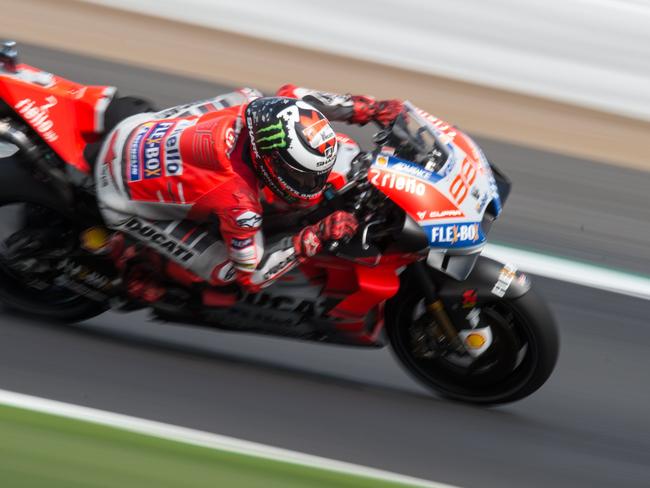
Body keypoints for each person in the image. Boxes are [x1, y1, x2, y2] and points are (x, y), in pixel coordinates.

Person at [94, 85, 403, 304]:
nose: (311, 182)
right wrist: (315, 235)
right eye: (300, 174)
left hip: (137, 129)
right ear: (267, 161)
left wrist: (367, 109)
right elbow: (252, 277)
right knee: (226, 270)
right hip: (119, 195)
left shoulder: (263, 112)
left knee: (247, 95)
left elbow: (296, 95)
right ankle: (137, 261)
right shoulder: (239, 203)